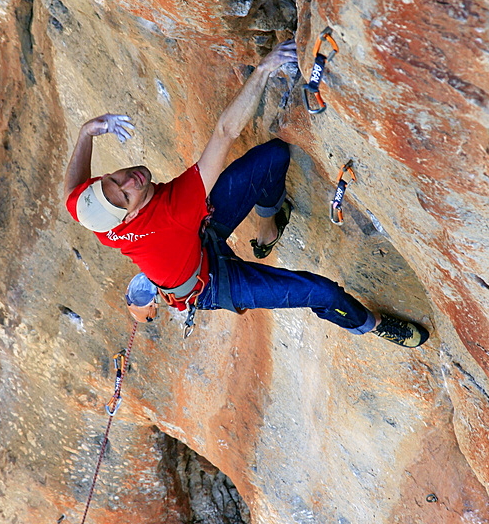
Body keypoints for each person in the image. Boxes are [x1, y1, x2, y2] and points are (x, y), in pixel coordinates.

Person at [64, 41, 428, 347]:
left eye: (115, 178)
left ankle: (267, 231)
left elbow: (72, 192)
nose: (131, 180)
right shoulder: (171, 212)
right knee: (324, 293)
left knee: (273, 157)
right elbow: (225, 132)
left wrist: (85, 133)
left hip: (198, 236)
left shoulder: (95, 210)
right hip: (211, 284)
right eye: (126, 195)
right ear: (127, 216)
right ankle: (372, 324)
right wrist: (265, 69)